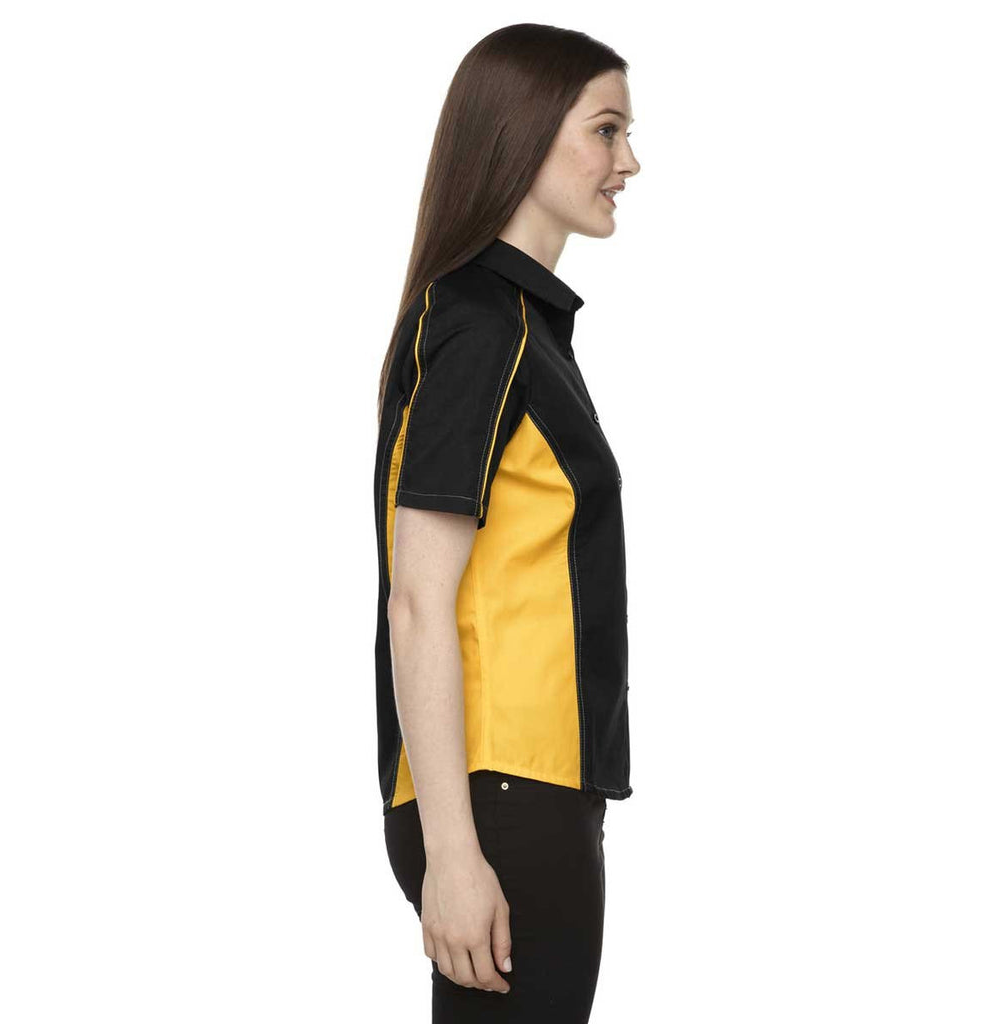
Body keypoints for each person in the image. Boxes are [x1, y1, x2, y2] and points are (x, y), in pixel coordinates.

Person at [372, 23, 640, 1022]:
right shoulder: (483, 325)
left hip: (523, 788)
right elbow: (416, 598)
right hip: (500, 793)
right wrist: (452, 851)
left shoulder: (516, 327)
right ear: (524, 135)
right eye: (605, 130)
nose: (628, 162)